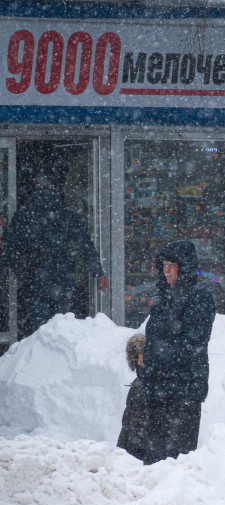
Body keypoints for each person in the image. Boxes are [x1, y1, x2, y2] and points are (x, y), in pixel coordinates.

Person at [3, 172, 109, 338]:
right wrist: (98, 272)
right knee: (63, 325)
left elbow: (9, 249)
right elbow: (83, 244)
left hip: (35, 279)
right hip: (62, 276)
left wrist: (22, 272)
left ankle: (40, 356)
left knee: (39, 328)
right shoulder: (65, 214)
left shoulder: (24, 215)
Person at [141, 239, 216, 464]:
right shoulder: (163, 296)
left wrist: (159, 358)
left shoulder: (198, 296)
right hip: (158, 389)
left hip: (183, 391)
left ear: (184, 267)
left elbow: (193, 343)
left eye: (172, 265)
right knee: (154, 462)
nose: (167, 271)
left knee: (177, 463)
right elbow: (155, 337)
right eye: (164, 265)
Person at [117, 333, 151, 464]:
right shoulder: (139, 382)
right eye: (137, 356)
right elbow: (129, 421)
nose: (140, 360)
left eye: (142, 355)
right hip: (135, 448)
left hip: (139, 452)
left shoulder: (146, 385)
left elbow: (138, 422)